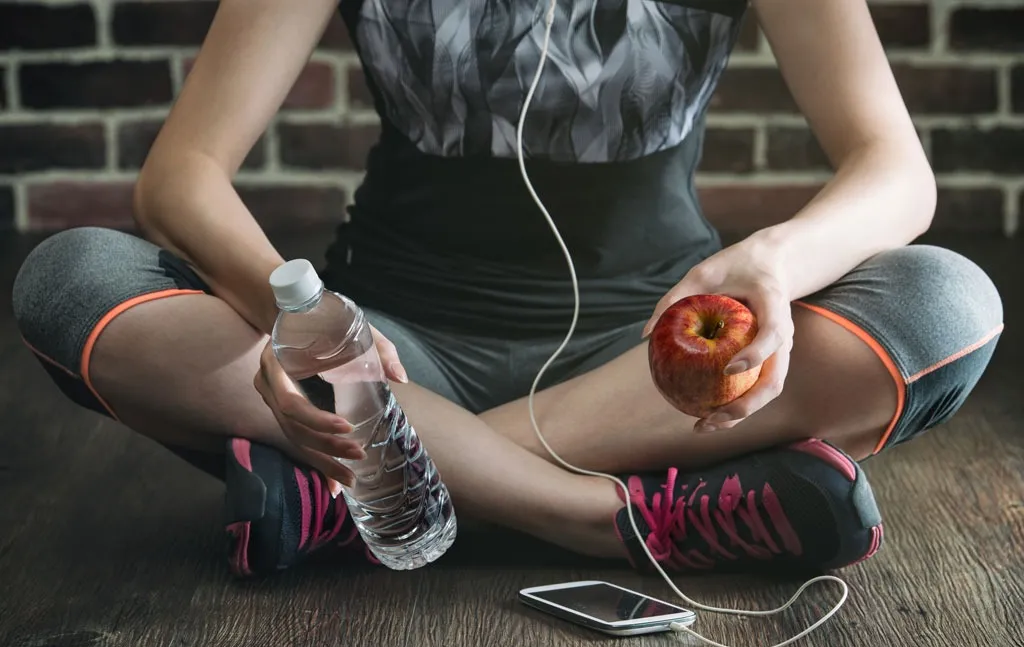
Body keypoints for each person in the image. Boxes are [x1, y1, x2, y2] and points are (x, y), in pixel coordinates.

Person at [12, 0, 1003, 579]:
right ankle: (620, 518)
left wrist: (774, 263)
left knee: (944, 302)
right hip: (388, 353)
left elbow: (895, 171)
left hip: (645, 369)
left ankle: (379, 488)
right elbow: (179, 176)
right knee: (74, 277)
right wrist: (294, 316)